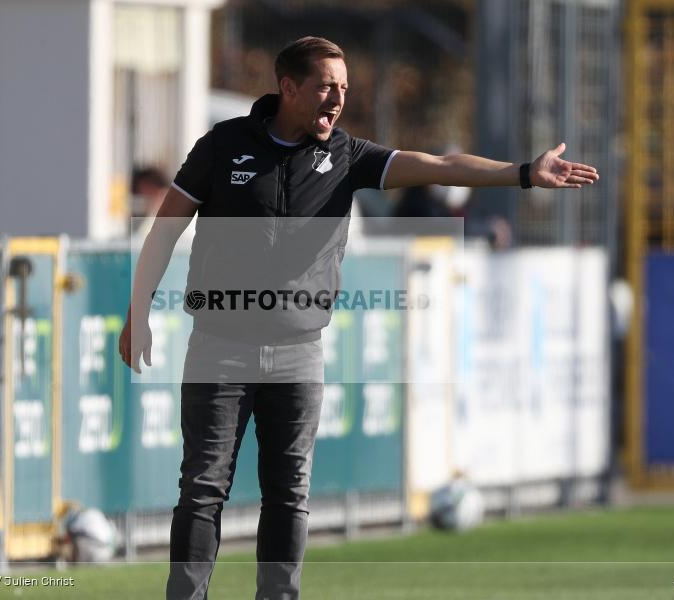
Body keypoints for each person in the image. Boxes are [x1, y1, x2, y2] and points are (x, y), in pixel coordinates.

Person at [118, 36, 598, 600]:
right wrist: (139, 311)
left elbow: (438, 166)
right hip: (220, 343)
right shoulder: (224, 145)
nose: (337, 100)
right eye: (325, 86)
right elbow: (166, 229)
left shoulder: (345, 155)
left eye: (344, 89)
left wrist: (521, 173)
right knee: (203, 487)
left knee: (289, 493)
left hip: (299, 351)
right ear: (288, 87)